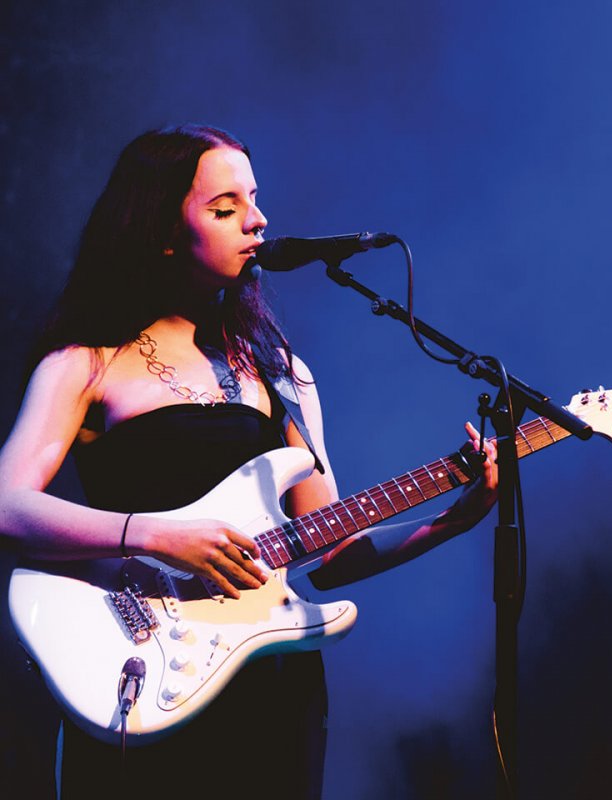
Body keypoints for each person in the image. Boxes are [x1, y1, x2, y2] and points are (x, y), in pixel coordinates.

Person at [0, 124, 497, 799]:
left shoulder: (283, 373)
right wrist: (153, 534)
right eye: (225, 206)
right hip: (139, 668)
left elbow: (332, 550)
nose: (257, 220)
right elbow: (8, 505)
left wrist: (454, 519)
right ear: (162, 230)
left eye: (254, 199)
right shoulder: (85, 364)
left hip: (270, 688)